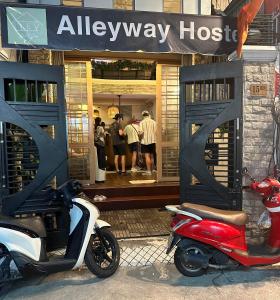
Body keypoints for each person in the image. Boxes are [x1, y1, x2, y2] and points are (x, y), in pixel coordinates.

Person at [139, 111, 157, 176]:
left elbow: (140, 133)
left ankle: (149, 171)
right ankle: (153, 169)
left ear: (143, 116)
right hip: (153, 141)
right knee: (152, 156)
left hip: (145, 141)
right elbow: (156, 131)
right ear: (148, 115)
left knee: (147, 156)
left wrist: (139, 135)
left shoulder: (142, 122)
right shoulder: (154, 122)